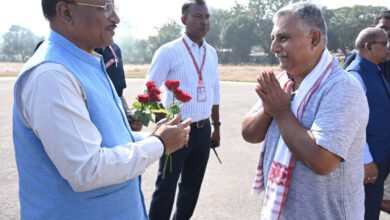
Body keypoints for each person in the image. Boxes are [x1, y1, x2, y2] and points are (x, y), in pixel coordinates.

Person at [12, 0, 192, 219]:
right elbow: (87, 169)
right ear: (66, 11)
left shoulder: (87, 61)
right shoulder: (52, 75)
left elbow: (107, 139)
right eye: (105, 7)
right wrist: (159, 143)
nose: (116, 18)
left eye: (115, 7)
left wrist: (152, 136)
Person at [241, 2, 369, 219]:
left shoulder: (342, 89)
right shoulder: (283, 82)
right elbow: (249, 133)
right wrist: (270, 109)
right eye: (273, 38)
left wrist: (281, 110)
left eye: (283, 38)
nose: (273, 48)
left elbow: (322, 160)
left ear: (314, 38)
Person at [145, 0, 221, 219]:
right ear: (184, 20)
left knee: (191, 189)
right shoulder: (168, 51)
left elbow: (215, 92)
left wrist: (216, 127)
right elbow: (149, 90)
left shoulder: (212, 53)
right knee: (165, 188)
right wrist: (167, 124)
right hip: (177, 130)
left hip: (203, 128)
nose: (204, 21)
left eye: (207, 17)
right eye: (198, 16)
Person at [343, 10, 390, 214]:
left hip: (382, 157)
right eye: (384, 44)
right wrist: (365, 160)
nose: (388, 48)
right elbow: (351, 123)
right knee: (366, 211)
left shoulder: (376, 69)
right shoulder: (355, 76)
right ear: (369, 46)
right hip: (370, 161)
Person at [95, 43, 142, 131]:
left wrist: (127, 113)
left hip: (115, 129)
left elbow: (117, 92)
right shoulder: (79, 48)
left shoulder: (115, 49)